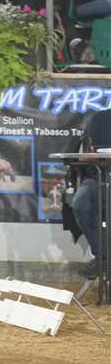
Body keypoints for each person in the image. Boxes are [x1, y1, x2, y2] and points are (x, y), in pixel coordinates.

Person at [70, 107, 111, 278]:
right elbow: (84, 155)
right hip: (99, 176)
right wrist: (99, 158)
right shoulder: (99, 119)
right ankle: (102, 257)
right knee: (81, 202)